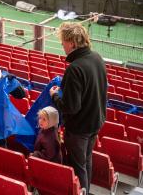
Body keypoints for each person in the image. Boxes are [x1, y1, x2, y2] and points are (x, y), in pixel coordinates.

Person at [49, 22, 107, 194]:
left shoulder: (75, 69)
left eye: (64, 41)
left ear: (72, 43)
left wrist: (55, 96)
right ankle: (86, 191)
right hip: (95, 122)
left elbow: (71, 107)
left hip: (79, 128)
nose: (62, 45)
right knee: (86, 161)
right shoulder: (97, 57)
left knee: (78, 166)